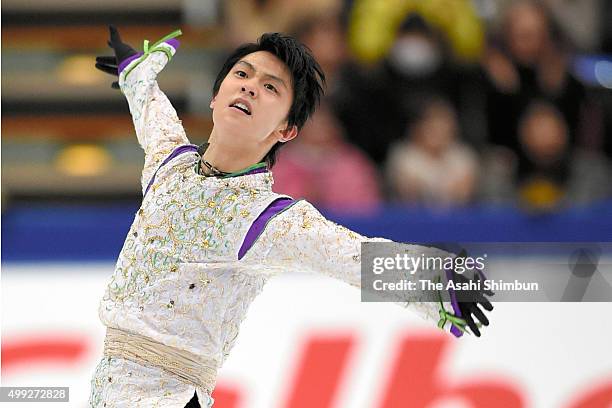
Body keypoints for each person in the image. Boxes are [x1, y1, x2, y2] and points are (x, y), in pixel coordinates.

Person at [90, 26, 493, 407]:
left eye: (270, 87)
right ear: (215, 96)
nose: (250, 85)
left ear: (287, 129)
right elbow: (153, 114)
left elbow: (352, 256)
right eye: (242, 74)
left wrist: (433, 279)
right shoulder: (170, 163)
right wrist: (136, 74)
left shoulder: (264, 220)